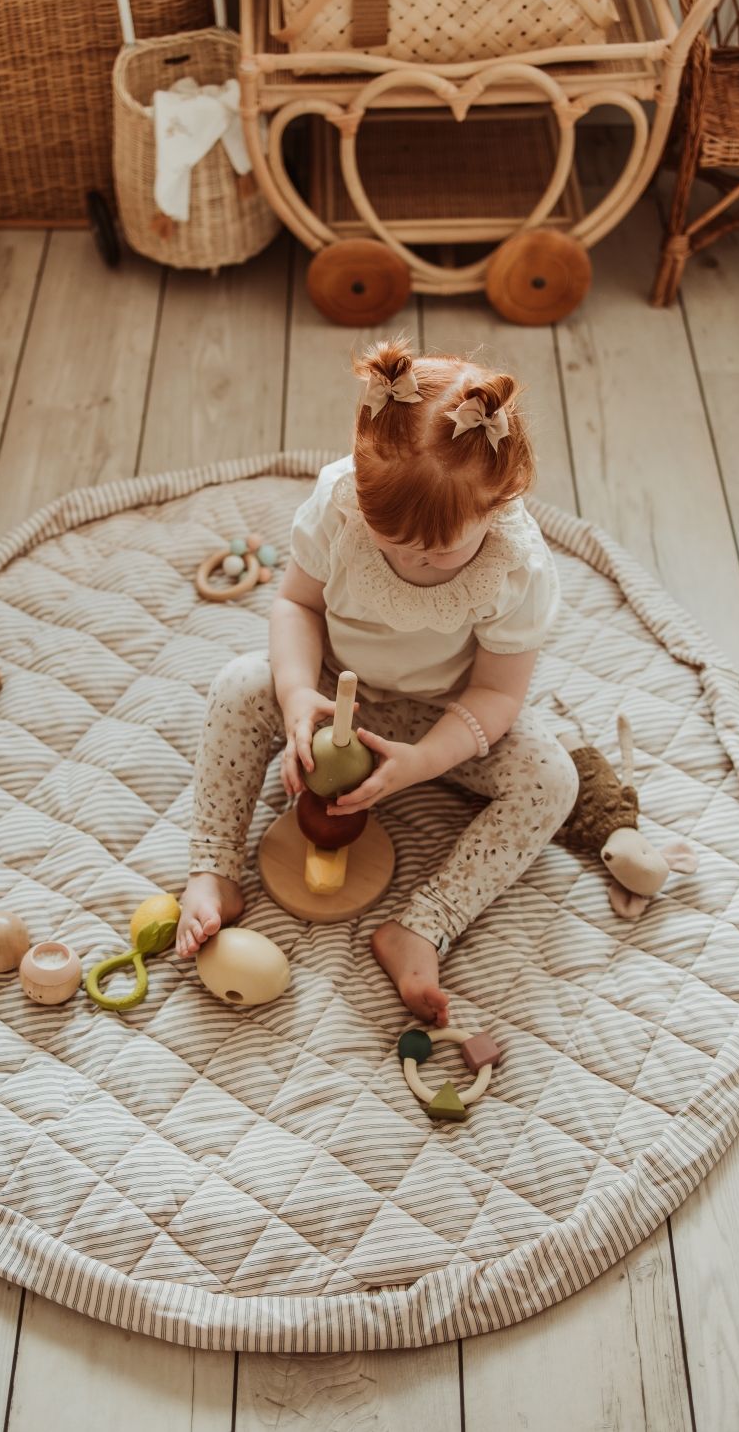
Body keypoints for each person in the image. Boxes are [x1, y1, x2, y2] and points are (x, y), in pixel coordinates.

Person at [175, 336, 578, 1024]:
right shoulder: (340, 504)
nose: (417, 564)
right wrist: (300, 694)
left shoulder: (517, 565)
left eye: (440, 552)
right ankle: (215, 868)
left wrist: (423, 762)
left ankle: (423, 927)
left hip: (440, 711)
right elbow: (295, 605)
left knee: (553, 780)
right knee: (240, 684)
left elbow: (497, 695)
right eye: (394, 549)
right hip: (334, 686)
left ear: (502, 499)